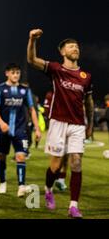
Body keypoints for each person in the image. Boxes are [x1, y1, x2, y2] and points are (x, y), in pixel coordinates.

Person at [27, 29, 93, 218]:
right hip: (58, 123)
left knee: (76, 163)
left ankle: (73, 206)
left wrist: (89, 125)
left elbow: (88, 102)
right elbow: (32, 60)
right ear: (63, 51)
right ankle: (48, 190)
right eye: (71, 46)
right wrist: (32, 40)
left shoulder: (85, 77)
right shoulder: (56, 69)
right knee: (55, 166)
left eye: (77, 46)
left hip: (77, 125)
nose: (75, 48)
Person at [0, 63, 41, 197]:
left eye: (17, 73)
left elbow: (32, 110)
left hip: (20, 129)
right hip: (2, 129)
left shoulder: (25, 90)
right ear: (7, 73)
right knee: (1, 156)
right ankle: (2, 182)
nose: (15, 75)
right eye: (13, 73)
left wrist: (37, 129)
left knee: (20, 156)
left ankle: (21, 185)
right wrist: (1, 123)